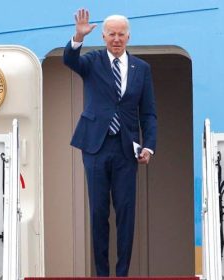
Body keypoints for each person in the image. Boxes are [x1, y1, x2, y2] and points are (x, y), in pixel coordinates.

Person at [63, 8, 157, 277]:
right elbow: (70, 60)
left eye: (121, 34)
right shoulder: (91, 61)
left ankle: (122, 273)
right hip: (95, 146)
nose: (116, 39)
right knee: (98, 212)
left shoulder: (142, 69)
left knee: (126, 212)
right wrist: (78, 37)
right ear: (103, 36)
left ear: (128, 36)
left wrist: (148, 145)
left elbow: (148, 112)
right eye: (111, 34)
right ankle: (102, 273)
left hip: (127, 148)